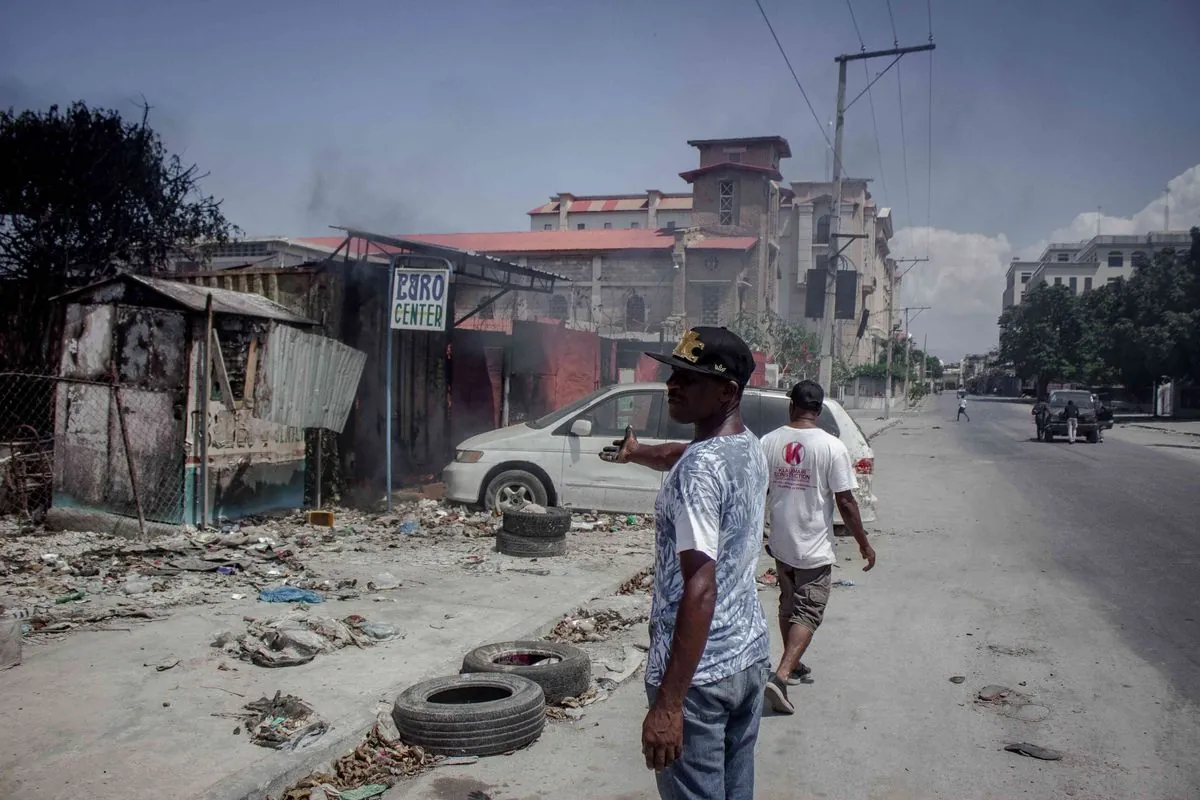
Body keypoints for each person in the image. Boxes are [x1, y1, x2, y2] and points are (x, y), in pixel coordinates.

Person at [615, 327, 771, 799]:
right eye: (673, 374)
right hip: (747, 658)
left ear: (727, 391)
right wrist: (638, 452)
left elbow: (698, 587)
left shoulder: (700, 469)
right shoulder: (748, 446)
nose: (672, 385)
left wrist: (668, 703)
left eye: (690, 378)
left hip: (700, 680)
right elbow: (684, 455)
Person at [757, 381, 876, 714]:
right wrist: (864, 544)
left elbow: (758, 492)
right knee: (809, 611)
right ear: (819, 410)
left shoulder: (769, 442)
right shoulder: (831, 446)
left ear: (791, 405)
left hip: (780, 542)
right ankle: (781, 676)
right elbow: (847, 501)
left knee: (788, 604)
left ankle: (791, 664)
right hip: (813, 546)